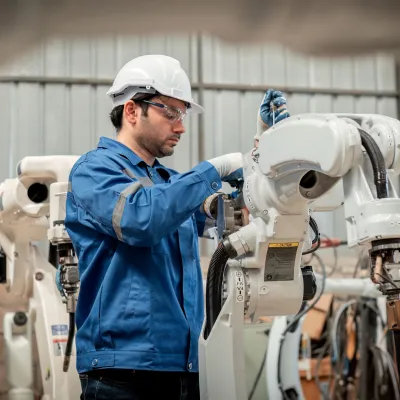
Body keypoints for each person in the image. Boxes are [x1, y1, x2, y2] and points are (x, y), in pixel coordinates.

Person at [65, 54, 244, 400]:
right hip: (122, 374)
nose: (181, 126)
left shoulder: (168, 183)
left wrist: (266, 154)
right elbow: (141, 220)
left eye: (183, 114)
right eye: (171, 112)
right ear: (132, 111)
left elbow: (227, 220)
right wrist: (213, 169)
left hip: (185, 367)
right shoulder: (93, 171)